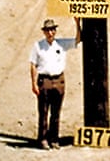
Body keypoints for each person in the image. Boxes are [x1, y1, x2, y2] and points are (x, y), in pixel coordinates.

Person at [29, 18, 81, 150]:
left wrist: (77, 23)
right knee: (44, 112)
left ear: (55, 31)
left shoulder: (61, 44)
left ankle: (54, 139)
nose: (50, 33)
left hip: (59, 80)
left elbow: (77, 40)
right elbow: (33, 65)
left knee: (56, 113)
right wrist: (34, 84)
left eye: (52, 30)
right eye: (48, 30)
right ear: (44, 32)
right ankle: (43, 139)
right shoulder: (38, 46)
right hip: (45, 80)